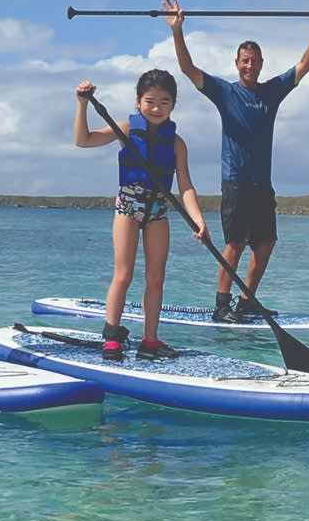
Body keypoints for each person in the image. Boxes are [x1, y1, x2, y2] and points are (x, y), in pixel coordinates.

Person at [164, 0, 309, 323]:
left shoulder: (271, 91)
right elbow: (187, 69)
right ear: (236, 63)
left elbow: (305, 65)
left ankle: (246, 302)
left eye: (254, 61)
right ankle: (221, 306)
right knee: (236, 243)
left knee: (266, 243)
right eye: (245, 60)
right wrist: (177, 30)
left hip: (262, 184)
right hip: (236, 182)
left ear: (261, 63)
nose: (249, 65)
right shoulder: (224, 92)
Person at [73, 71, 210, 361]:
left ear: (173, 105)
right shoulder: (125, 129)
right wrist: (83, 105)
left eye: (164, 102)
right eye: (150, 101)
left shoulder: (177, 144)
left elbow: (185, 185)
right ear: (138, 102)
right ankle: (111, 337)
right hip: (128, 207)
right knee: (123, 274)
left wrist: (198, 219)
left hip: (158, 210)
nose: (157, 108)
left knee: (156, 278)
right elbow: (83, 140)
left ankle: (150, 340)